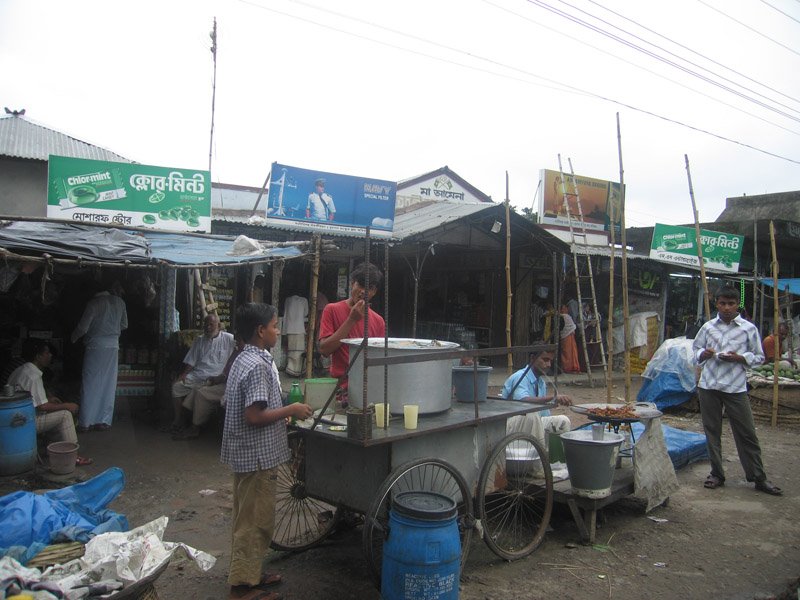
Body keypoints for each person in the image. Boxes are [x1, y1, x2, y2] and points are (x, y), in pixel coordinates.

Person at [221, 303, 312, 600]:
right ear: (261, 331)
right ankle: (242, 588)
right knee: (255, 521)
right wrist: (292, 409)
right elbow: (254, 416)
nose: (278, 330)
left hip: (246, 453)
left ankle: (250, 573)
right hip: (257, 456)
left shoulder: (244, 358)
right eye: (275, 326)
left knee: (247, 516)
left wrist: (281, 410)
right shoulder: (258, 364)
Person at [693, 285, 782, 496]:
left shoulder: (748, 328)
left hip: (735, 387)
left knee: (747, 433)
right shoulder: (707, 327)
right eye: (722, 303)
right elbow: (695, 350)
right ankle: (716, 474)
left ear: (737, 305)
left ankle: (758, 477)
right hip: (709, 386)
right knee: (712, 431)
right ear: (716, 303)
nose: (726, 308)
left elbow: (759, 357)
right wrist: (704, 354)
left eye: (730, 304)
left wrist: (740, 358)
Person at [7, 339, 92, 466]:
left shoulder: (21, 369)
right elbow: (42, 406)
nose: (50, 355)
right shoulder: (33, 375)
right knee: (65, 415)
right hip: (26, 422)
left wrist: (50, 400)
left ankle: (53, 450)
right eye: (47, 353)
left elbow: (33, 399)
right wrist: (66, 405)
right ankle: (73, 456)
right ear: (38, 356)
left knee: (56, 411)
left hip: (12, 419)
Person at [318, 262, 386, 391]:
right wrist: (351, 319)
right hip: (339, 388)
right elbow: (324, 350)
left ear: (374, 292)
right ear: (352, 283)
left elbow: (379, 359)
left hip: (367, 387)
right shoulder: (331, 309)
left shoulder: (378, 321)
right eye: (360, 285)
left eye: (369, 288)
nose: (363, 292)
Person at [71, 280, 128, 431]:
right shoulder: (120, 302)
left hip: (95, 345)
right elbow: (124, 325)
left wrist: (73, 338)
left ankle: (85, 422)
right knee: (109, 383)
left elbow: (83, 328)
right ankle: (103, 420)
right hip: (113, 346)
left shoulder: (93, 303)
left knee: (90, 381)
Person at [170, 313, 236, 433]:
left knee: (198, 393)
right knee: (176, 387)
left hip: (214, 379)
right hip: (197, 375)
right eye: (206, 324)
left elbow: (241, 346)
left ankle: (193, 425)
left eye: (211, 324)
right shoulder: (199, 340)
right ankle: (178, 419)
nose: (208, 327)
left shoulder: (229, 339)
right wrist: (183, 374)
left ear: (219, 325)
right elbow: (191, 360)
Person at [172, 337, 245, 440]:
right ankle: (186, 421)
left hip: (233, 388)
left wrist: (220, 379)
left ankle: (195, 427)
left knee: (202, 393)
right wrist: (217, 379)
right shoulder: (236, 352)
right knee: (197, 390)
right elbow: (225, 373)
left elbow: (235, 377)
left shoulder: (244, 355)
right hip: (222, 382)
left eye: (239, 340)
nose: (236, 341)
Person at [501, 350, 572, 450]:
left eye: (550, 361)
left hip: (533, 421)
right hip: (509, 425)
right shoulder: (520, 377)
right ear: (533, 358)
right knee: (531, 414)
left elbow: (544, 415)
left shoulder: (541, 383)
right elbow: (523, 401)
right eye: (545, 360)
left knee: (563, 421)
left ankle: (558, 463)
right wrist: (552, 397)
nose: (548, 364)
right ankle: (540, 463)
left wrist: (554, 401)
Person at [282, 294, 309, 377]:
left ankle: (291, 370)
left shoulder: (288, 300)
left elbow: (285, 313)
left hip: (289, 329)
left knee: (291, 351)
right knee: (299, 351)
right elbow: (306, 313)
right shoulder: (304, 300)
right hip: (300, 329)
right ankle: (298, 371)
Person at [559, 306, 581, 373]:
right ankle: (570, 367)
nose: (566, 309)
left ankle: (568, 367)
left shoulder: (561, 316)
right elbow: (572, 326)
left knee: (567, 352)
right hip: (568, 336)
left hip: (565, 336)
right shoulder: (566, 316)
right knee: (569, 352)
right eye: (564, 308)